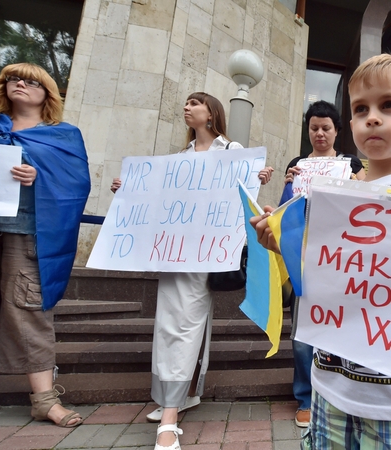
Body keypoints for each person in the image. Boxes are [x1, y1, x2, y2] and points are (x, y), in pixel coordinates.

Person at [252, 54, 391, 449]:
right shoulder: (334, 198)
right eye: (361, 108)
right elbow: (322, 274)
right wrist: (280, 244)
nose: (373, 117)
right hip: (330, 389)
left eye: (389, 105)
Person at [112, 92, 273, 450]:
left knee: (184, 323)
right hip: (174, 253)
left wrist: (255, 178)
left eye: (195, 103)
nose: (187, 108)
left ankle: (170, 414)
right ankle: (179, 396)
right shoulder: (180, 158)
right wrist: (130, 188)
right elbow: (159, 200)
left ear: (212, 113)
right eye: (185, 103)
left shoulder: (232, 152)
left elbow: (239, 201)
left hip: (205, 254)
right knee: (172, 323)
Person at [0, 63, 91, 434]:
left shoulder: (62, 136)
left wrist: (37, 177)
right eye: (13, 79)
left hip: (28, 236)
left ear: (47, 93)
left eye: (31, 81)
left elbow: (74, 185)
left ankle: (44, 400)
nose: (21, 84)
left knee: (28, 310)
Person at [281, 100, 366, 428]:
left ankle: (340, 392)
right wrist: (288, 182)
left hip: (340, 259)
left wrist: (358, 184)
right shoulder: (298, 164)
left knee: (339, 326)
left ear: (336, 132)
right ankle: (305, 397)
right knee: (302, 330)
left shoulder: (350, 164)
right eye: (314, 128)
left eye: (325, 128)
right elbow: (285, 214)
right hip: (303, 257)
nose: (319, 133)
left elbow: (365, 205)